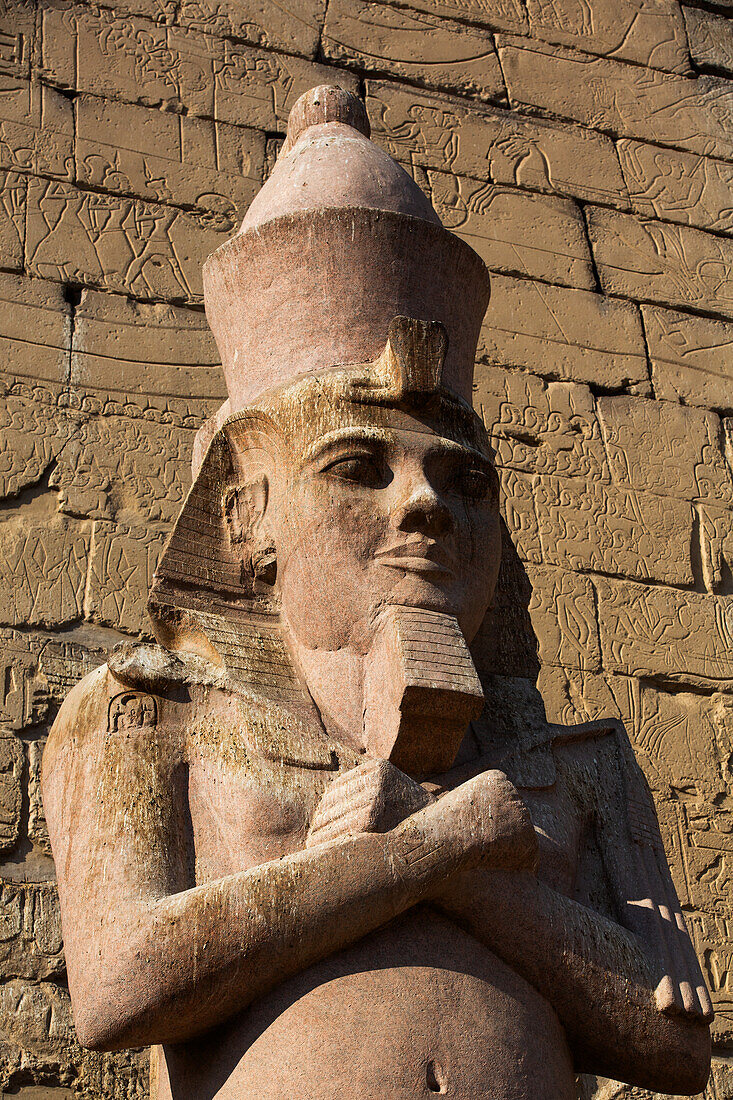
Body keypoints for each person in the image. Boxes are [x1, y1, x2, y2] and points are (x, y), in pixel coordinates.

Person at [42, 86, 712, 1100]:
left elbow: (673, 1041)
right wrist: (437, 842)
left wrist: (455, 859)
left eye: (464, 479)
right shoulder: (144, 713)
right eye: (361, 467)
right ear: (244, 518)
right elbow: (120, 981)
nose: (427, 505)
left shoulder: (583, 767)